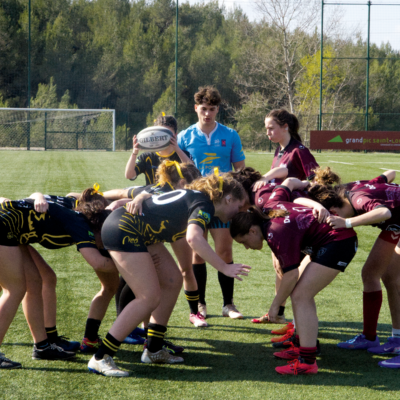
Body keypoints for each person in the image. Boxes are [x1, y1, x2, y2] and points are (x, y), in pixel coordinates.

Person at [87, 173, 251, 377]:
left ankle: (154, 349)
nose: (239, 212)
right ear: (228, 198)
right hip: (124, 228)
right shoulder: (205, 204)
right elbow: (193, 238)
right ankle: (101, 357)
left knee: (172, 280)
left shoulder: (197, 197)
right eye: (239, 206)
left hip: (135, 229)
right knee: (148, 297)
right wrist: (224, 267)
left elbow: (152, 197)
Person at [230, 179, 358, 375]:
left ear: (252, 230)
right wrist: (305, 183)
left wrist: (275, 306)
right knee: (300, 293)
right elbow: (287, 184)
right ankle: (301, 344)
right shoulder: (270, 205)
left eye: (244, 242)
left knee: (300, 295)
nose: (247, 247)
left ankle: (307, 362)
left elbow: (291, 275)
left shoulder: (274, 233)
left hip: (338, 241)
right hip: (328, 240)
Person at [0, 191, 118, 369]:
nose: (107, 244)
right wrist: (134, 265)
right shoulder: (79, 222)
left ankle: (42, 346)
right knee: (14, 290)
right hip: (4, 227)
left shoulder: (77, 206)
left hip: (13, 232)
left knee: (37, 281)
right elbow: (98, 262)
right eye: (107, 237)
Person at [308, 170, 400, 368]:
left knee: (394, 279)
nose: (332, 224)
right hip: (395, 224)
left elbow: (384, 212)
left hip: (394, 220)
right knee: (372, 274)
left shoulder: (357, 198)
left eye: (332, 218)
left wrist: (347, 222)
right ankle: (377, 337)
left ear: (334, 209)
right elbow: (389, 175)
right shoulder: (349, 190)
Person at [178, 86, 246, 319]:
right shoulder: (184, 136)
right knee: (198, 253)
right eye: (204, 108)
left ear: (218, 110)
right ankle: (201, 304)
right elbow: (180, 171)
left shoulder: (230, 134)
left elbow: (240, 169)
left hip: (222, 203)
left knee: (224, 250)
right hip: (195, 201)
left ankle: (228, 305)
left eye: (212, 109)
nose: (207, 113)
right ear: (196, 108)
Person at [252, 109, 320, 326]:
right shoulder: (279, 150)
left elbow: (318, 181)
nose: (268, 132)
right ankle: (278, 313)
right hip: (282, 216)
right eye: (266, 129)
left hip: (298, 220)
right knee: (279, 266)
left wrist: (298, 187)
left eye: (271, 128)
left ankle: (298, 322)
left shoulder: (300, 150)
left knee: (291, 270)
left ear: (285, 127)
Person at [125, 114, 193, 186]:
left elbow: (193, 173)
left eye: (166, 134)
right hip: (153, 193)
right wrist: (134, 153)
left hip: (176, 193)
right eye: (158, 135)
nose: (161, 138)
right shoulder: (147, 156)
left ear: (175, 135)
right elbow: (129, 175)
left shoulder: (183, 155)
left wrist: (178, 150)